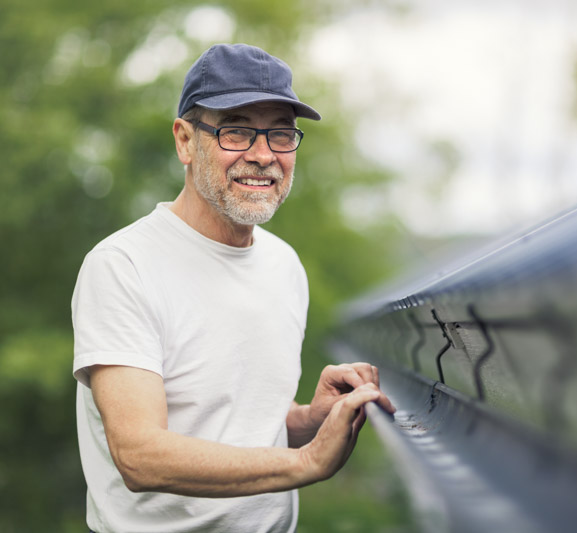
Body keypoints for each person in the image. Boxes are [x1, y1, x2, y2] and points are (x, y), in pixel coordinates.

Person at [71, 43, 395, 533]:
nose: (263, 155)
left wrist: (308, 419)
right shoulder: (122, 266)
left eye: (281, 134)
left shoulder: (284, 265)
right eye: (237, 130)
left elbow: (226, 416)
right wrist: (306, 462)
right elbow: (139, 454)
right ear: (184, 140)